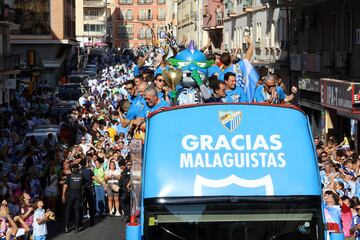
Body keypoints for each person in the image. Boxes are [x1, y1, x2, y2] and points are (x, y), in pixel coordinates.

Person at [62, 164, 85, 233]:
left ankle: (66, 227)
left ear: (72, 169)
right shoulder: (81, 176)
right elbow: (83, 186)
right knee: (77, 211)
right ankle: (76, 228)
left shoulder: (69, 176)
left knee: (68, 210)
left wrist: (63, 195)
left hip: (70, 194)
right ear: (78, 169)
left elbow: (65, 186)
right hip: (78, 194)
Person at [80, 159, 95, 226]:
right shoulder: (89, 170)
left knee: (81, 204)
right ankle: (91, 221)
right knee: (90, 204)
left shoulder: (79, 171)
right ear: (86, 163)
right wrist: (102, 183)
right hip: (88, 189)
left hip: (81, 189)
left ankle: (80, 221)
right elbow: (94, 177)